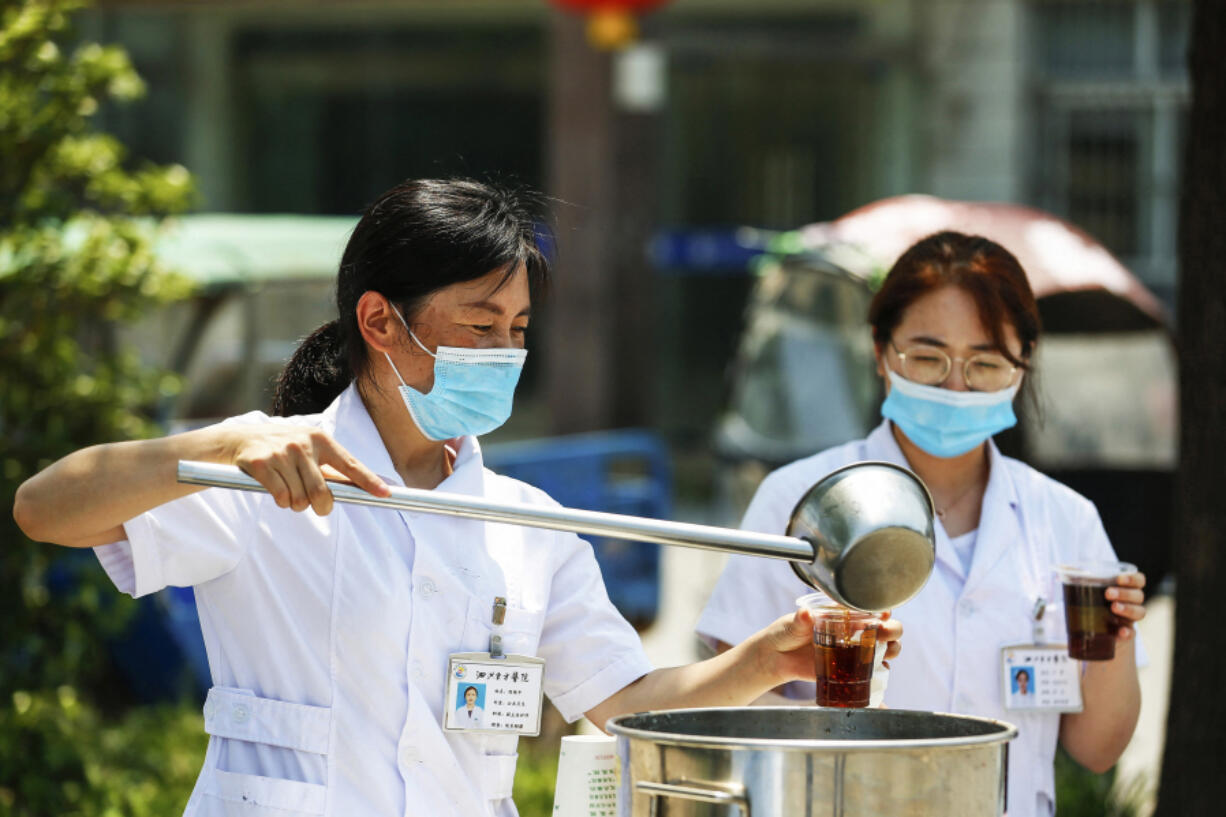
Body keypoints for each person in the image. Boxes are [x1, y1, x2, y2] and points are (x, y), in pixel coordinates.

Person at [13, 178, 901, 817]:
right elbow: (43, 510)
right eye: (479, 325)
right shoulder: (265, 477)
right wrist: (215, 443)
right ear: (378, 321)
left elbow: (623, 700)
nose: (504, 352)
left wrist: (768, 655)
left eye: (516, 331)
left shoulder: (532, 525)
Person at [697, 231, 1146, 817]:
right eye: (929, 358)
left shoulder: (1065, 519)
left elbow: (1097, 749)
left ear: (1023, 364)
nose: (955, 386)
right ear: (882, 354)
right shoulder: (799, 499)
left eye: (985, 364)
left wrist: (1113, 634)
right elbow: (726, 715)